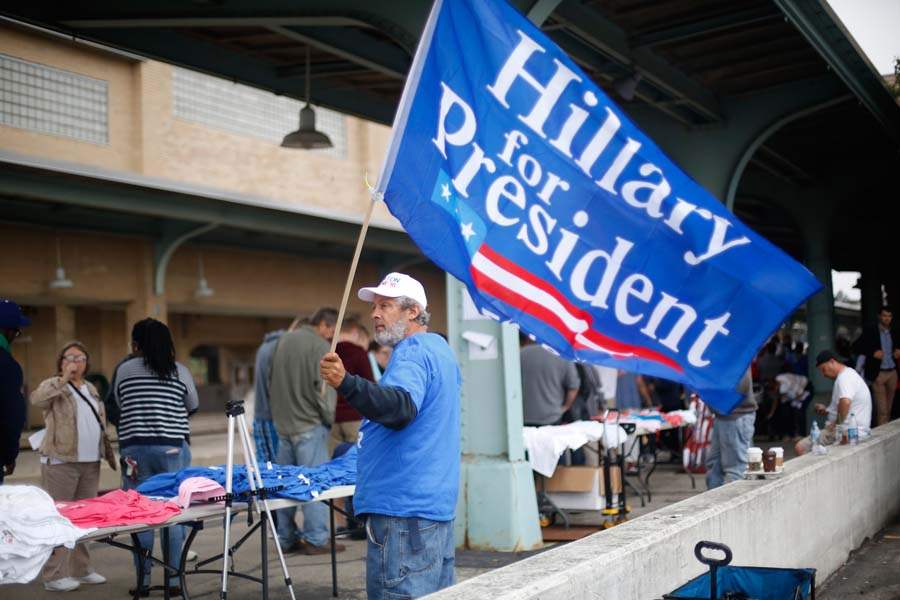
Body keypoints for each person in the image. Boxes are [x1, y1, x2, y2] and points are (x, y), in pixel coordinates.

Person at [320, 272, 460, 599]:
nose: (375, 314)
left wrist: (346, 382)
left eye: (386, 305)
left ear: (412, 312)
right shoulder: (440, 350)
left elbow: (400, 408)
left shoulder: (412, 351)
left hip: (403, 512)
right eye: (375, 306)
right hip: (430, 507)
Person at [110, 318, 198, 596]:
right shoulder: (180, 372)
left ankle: (144, 582)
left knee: (140, 513)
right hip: (172, 449)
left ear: (136, 344)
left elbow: (120, 403)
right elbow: (192, 406)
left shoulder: (124, 370)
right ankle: (173, 581)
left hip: (134, 452)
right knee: (172, 512)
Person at [31, 341, 117, 592]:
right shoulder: (53, 385)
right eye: (69, 357)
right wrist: (63, 379)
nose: (75, 362)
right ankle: (54, 575)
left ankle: (82, 569)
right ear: (61, 362)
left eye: (80, 358)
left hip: (90, 461)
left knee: (84, 518)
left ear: (87, 363)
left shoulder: (90, 388)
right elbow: (37, 400)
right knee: (59, 517)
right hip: (61, 461)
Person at [268, 307, 342, 555]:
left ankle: (286, 538)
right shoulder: (319, 347)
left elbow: (271, 382)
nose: (331, 336)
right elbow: (322, 392)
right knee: (313, 485)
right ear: (323, 324)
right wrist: (328, 418)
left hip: (283, 426)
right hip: (309, 425)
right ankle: (316, 538)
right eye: (331, 330)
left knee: (285, 487)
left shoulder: (282, 341)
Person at [795, 350, 873, 455]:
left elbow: (845, 402)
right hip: (849, 430)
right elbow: (846, 406)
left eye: (824, 369)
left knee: (800, 447)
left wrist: (838, 424)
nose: (824, 374)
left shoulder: (844, 378)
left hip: (848, 432)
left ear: (832, 361)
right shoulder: (848, 375)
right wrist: (828, 411)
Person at [252, 318, 300, 465]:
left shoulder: (268, 346)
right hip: (270, 417)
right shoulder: (277, 348)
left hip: (267, 416)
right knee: (272, 468)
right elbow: (275, 385)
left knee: (268, 466)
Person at [705, 368, 757, 489]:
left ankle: (743, 505)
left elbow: (741, 384)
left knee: (737, 469)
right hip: (726, 415)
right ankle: (714, 503)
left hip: (734, 415)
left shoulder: (735, 352)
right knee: (714, 467)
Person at [331, 318, 374, 453]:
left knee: (332, 462)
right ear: (355, 333)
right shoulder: (359, 353)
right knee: (355, 459)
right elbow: (369, 386)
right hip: (354, 416)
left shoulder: (329, 352)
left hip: (331, 417)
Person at [519, 333, 580, 426]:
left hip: (523, 415)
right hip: (552, 416)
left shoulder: (520, 354)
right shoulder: (562, 356)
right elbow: (573, 387)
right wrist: (565, 407)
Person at [0, 299, 29, 486]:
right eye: (17, 332)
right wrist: (9, 455)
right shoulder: (6, 365)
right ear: (8, 331)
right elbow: (11, 415)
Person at [855, 306, 899, 427]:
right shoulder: (871, 330)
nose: (887, 318)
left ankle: (887, 434)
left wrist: (898, 351)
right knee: (882, 410)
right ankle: (882, 439)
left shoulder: (894, 331)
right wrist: (872, 352)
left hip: (892, 372)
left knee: (890, 408)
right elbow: (856, 347)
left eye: (889, 316)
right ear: (880, 316)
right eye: (884, 316)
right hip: (878, 373)